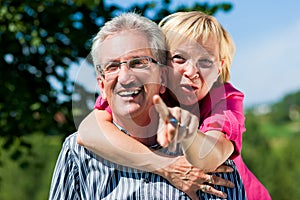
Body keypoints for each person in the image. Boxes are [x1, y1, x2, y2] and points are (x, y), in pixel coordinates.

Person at [49, 12, 246, 200]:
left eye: (138, 63)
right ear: (165, 69)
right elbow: (87, 131)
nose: (191, 71)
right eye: (179, 58)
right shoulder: (79, 152)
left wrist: (187, 135)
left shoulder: (225, 102)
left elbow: (211, 156)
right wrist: (165, 165)